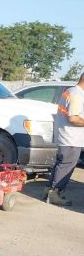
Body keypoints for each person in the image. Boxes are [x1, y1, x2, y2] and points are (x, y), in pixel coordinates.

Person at [46, 73, 84, 206]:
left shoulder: (70, 91)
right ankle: (55, 194)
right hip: (71, 138)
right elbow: (73, 118)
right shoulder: (78, 95)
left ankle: (49, 191)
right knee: (66, 166)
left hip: (65, 136)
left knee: (60, 165)